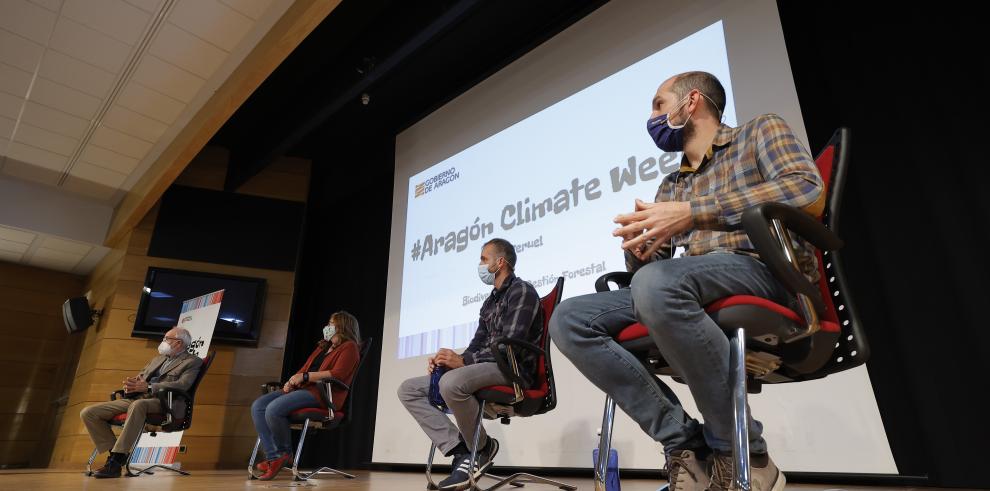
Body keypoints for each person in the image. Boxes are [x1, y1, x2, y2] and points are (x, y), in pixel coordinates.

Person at [550, 71, 823, 491]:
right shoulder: (671, 184)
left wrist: (696, 213)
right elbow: (650, 274)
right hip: (692, 279)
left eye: (659, 105)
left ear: (691, 101)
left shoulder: (757, 131)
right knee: (569, 319)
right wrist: (639, 249)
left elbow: (806, 189)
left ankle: (741, 452)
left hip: (761, 269)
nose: (653, 117)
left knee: (659, 284)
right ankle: (687, 445)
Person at [398, 238, 543, 491]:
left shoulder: (522, 291)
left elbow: (511, 344)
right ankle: (467, 449)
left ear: (500, 263)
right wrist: (450, 361)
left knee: (451, 383)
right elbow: (476, 345)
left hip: (512, 371)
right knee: (409, 389)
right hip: (488, 367)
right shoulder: (489, 302)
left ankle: (479, 450)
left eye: (483, 259)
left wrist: (462, 363)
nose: (480, 264)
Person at [250, 311, 361, 480]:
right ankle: (274, 457)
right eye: (329, 323)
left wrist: (306, 377)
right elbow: (305, 367)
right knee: (258, 406)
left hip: (322, 395)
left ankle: (284, 454)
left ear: (343, 327)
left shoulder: (350, 347)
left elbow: (337, 374)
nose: (328, 327)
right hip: (302, 389)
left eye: (332, 324)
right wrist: (291, 381)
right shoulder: (323, 347)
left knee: (274, 408)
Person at [80, 326, 203, 478]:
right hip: (138, 398)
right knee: (89, 412)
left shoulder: (192, 361)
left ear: (178, 343)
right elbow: (141, 379)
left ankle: (115, 462)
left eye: (166, 339)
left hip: (165, 402)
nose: (162, 342)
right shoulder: (157, 359)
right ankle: (115, 453)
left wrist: (150, 386)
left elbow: (183, 385)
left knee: (138, 405)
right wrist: (132, 387)